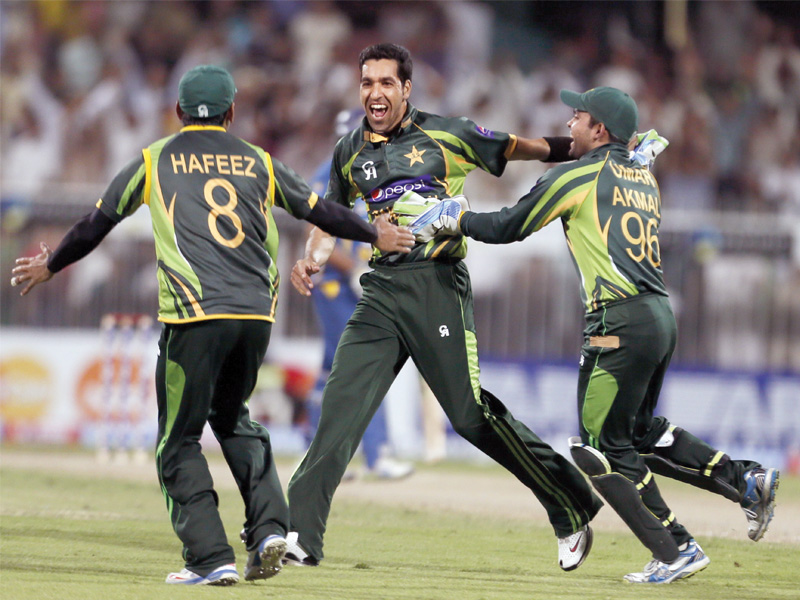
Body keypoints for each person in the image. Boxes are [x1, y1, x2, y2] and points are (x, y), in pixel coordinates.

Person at [10, 65, 414, 586]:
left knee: (177, 442)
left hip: (194, 316)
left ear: (178, 112)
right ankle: (271, 529)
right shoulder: (259, 162)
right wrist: (372, 234)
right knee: (235, 419)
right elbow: (322, 211)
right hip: (255, 317)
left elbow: (98, 222)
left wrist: (50, 265)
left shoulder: (155, 159)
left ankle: (209, 557)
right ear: (231, 112)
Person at [412, 86, 780, 584]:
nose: (569, 125)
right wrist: (637, 150)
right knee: (639, 434)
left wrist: (455, 217)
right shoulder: (642, 176)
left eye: (577, 116)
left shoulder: (576, 174)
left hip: (617, 323)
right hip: (658, 317)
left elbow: (508, 226)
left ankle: (676, 548)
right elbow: (635, 156)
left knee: (599, 448)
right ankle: (745, 480)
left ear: (599, 129)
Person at [285, 43, 603, 570]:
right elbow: (330, 219)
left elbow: (524, 148)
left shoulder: (447, 134)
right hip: (382, 293)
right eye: (367, 83)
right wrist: (313, 258)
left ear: (406, 89)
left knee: (470, 417)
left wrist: (593, 148)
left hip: (437, 285)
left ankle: (569, 504)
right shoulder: (349, 152)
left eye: (386, 82)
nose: (375, 92)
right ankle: (301, 536)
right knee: (339, 411)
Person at [303, 109, 414, 480]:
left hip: (358, 282)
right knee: (363, 362)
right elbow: (320, 233)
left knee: (333, 368)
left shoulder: (369, 174)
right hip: (336, 286)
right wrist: (355, 270)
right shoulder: (328, 174)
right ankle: (375, 454)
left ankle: (317, 449)